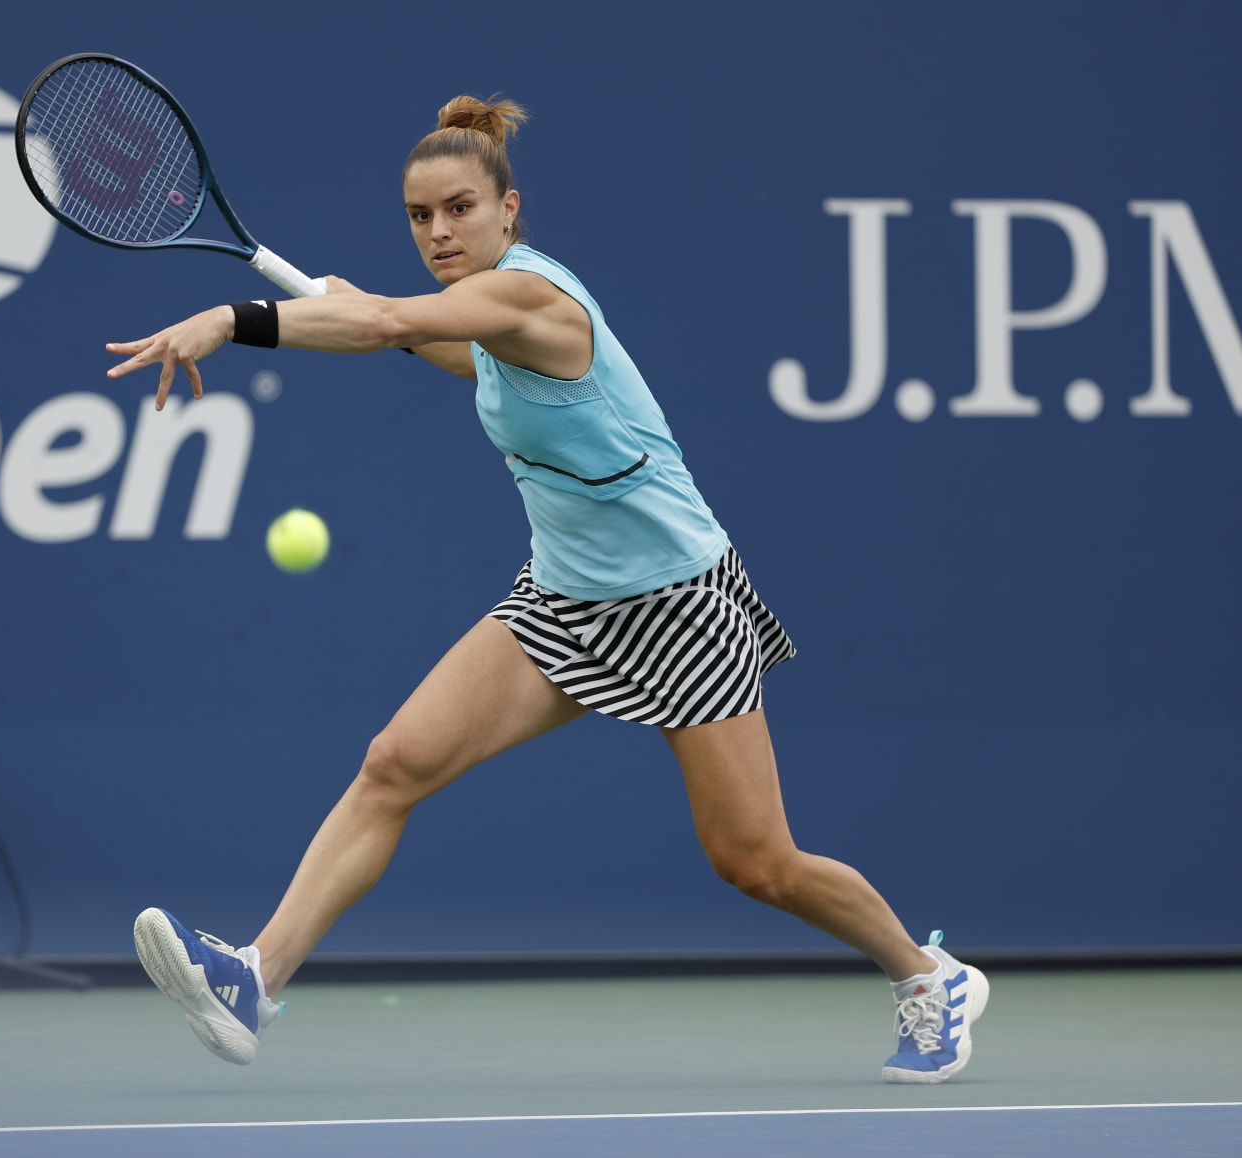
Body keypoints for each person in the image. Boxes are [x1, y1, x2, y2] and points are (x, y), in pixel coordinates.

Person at [104, 96, 988, 1083]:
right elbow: (445, 347)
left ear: (508, 209)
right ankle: (254, 980)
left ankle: (927, 975)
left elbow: (401, 319)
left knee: (756, 864)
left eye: (459, 209)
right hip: (562, 599)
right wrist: (380, 324)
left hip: (679, 604)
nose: (439, 231)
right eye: (419, 215)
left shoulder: (537, 299)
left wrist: (238, 318)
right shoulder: (490, 319)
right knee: (395, 763)